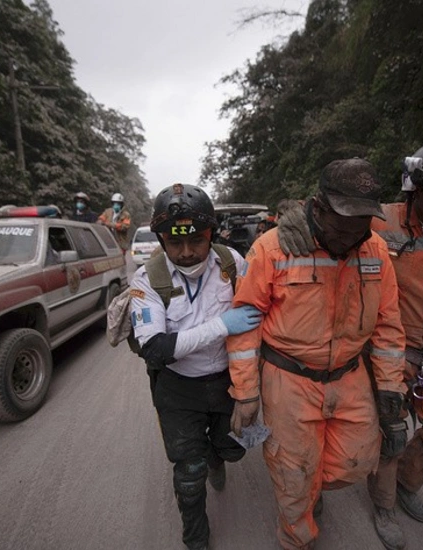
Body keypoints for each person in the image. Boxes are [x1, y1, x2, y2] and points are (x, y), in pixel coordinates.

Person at [276, 131, 423, 550]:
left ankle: (403, 486)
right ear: (415, 187)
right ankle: (383, 506)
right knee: (390, 434)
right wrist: (290, 211)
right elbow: (329, 217)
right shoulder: (380, 221)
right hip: (379, 351)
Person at [227, 159, 407, 550]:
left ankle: (310, 489)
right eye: (343, 225)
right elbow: (243, 322)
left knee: (356, 462)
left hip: (349, 375)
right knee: (295, 477)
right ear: (318, 207)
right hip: (288, 379)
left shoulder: (374, 249)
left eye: (362, 225)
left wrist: (392, 383)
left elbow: (389, 324)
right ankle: (298, 537)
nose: (350, 238)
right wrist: (245, 392)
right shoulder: (273, 248)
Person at [129, 183, 263, 550]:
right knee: (189, 474)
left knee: (231, 449)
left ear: (212, 234)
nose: (186, 253)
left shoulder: (234, 264)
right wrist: (222, 326)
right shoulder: (146, 281)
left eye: (196, 241)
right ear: (161, 241)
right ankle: (196, 538)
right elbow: (155, 349)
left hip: (226, 382)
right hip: (177, 389)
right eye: (174, 243)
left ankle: (215, 455)